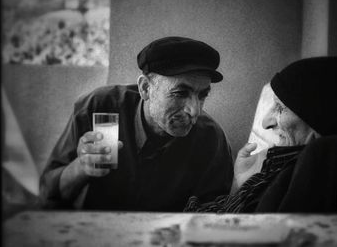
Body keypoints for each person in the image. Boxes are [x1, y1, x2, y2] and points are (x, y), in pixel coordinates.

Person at [39, 36, 234, 211]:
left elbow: (212, 218)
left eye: (202, 95)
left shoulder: (211, 138)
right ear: (146, 88)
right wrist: (81, 167)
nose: (194, 111)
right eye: (180, 93)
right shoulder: (100, 106)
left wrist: (240, 185)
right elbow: (48, 194)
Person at [184, 56, 337, 213]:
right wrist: (238, 184)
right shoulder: (279, 163)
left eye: (280, 108)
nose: (266, 122)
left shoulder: (319, 160)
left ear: (319, 117)